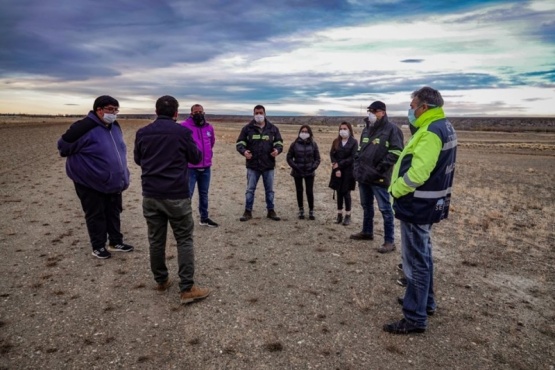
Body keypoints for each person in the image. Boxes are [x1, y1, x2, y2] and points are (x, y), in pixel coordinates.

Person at [383, 86, 457, 334]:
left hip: (417, 205)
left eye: (413, 105)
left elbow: (418, 173)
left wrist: (396, 189)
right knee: (423, 256)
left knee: (415, 262)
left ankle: (415, 317)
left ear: (425, 107)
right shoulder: (443, 126)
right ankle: (426, 303)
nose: (410, 109)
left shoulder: (430, 132)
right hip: (428, 203)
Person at [134, 95, 210, 305]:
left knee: (156, 240)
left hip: (150, 194)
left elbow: (138, 159)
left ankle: (161, 280)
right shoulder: (183, 132)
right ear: (176, 113)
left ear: (156, 111)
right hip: (176, 194)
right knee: (184, 239)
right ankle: (187, 288)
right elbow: (195, 157)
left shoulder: (143, 132)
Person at [57, 95, 134, 259]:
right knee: (96, 213)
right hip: (90, 181)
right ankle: (98, 246)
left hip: (113, 181)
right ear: (98, 110)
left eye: (116, 110)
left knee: (113, 211)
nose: (113, 113)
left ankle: (115, 242)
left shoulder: (114, 125)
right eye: (109, 109)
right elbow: (63, 147)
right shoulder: (84, 126)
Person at [352, 101, 404, 253]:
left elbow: (396, 151)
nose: (371, 114)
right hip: (363, 176)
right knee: (366, 206)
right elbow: (360, 150)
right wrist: (357, 166)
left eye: (374, 111)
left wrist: (380, 168)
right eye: (369, 111)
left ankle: (389, 241)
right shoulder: (367, 130)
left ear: (383, 112)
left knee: (385, 209)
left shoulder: (392, 130)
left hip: (379, 177)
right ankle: (367, 232)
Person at [236, 105, 284, 221]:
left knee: (270, 190)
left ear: (265, 113)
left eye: (260, 113)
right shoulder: (247, 129)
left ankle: (271, 211)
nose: (259, 115)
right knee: (250, 190)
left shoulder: (273, 128)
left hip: (268, 165)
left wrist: (277, 150)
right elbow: (239, 143)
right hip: (253, 165)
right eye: (256, 113)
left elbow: (279, 143)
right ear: (253, 114)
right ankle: (248, 212)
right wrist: (244, 151)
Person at [181, 104, 218, 227]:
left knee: (204, 194)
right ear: (191, 113)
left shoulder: (209, 128)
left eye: (200, 112)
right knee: (188, 194)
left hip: (206, 167)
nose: (198, 114)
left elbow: (211, 143)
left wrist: (206, 156)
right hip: (190, 168)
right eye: (196, 112)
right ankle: (183, 220)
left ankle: (204, 218)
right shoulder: (184, 126)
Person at [286, 125, 321, 220]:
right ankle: (301, 209)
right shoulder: (294, 144)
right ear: (299, 132)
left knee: (309, 191)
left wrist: (313, 167)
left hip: (309, 171)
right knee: (299, 190)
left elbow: (317, 158)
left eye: (306, 131)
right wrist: (295, 166)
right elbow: (289, 157)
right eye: (302, 131)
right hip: (298, 171)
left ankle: (311, 210)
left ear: (309, 133)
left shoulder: (313, 144)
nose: (304, 133)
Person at [328, 122, 358, 226]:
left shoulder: (354, 142)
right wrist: (336, 168)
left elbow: (353, 157)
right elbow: (332, 154)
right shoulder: (336, 141)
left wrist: (339, 165)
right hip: (337, 171)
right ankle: (339, 214)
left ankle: (348, 215)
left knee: (346, 193)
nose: (342, 131)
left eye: (345, 128)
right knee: (339, 192)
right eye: (341, 129)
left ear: (349, 129)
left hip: (348, 171)